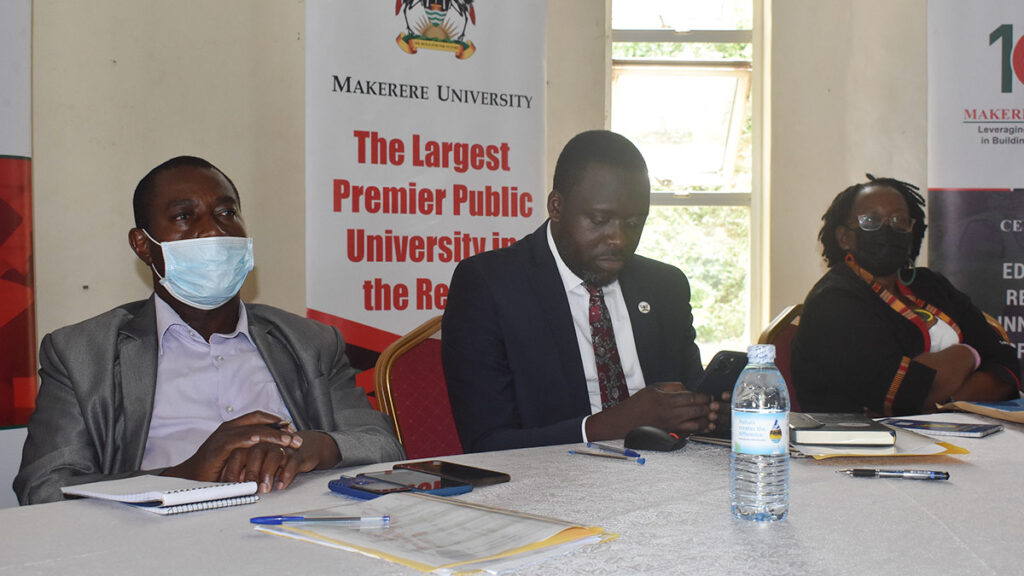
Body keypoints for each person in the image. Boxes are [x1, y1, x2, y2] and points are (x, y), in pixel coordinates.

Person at [15, 156, 404, 505]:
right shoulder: (80, 354)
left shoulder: (309, 341)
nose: (214, 231)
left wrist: (312, 447)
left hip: (297, 529)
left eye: (226, 212)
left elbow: (383, 445)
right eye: (185, 217)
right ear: (143, 246)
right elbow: (45, 488)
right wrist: (183, 475)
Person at [442, 130, 721, 453]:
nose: (619, 239)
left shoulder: (665, 286)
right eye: (600, 220)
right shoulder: (490, 285)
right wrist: (616, 423)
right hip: (549, 485)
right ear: (556, 207)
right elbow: (487, 443)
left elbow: (690, 398)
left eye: (634, 223)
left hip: (666, 476)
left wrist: (709, 411)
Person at [791, 175, 1020, 416]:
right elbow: (903, 395)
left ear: (912, 235)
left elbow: (1006, 366)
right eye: (871, 220)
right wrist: (968, 354)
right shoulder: (833, 302)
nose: (887, 229)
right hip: (863, 445)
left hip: (957, 437)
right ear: (844, 237)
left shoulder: (932, 285)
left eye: (899, 221)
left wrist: (951, 403)